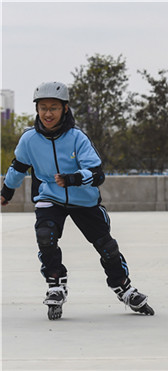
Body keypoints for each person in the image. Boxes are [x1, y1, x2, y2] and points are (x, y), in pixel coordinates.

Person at [1, 82, 154, 320]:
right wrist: (6, 192)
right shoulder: (29, 140)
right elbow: (18, 167)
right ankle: (55, 283)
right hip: (49, 197)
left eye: (53, 107)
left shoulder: (77, 138)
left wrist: (73, 179)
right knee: (45, 236)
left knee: (107, 246)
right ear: (37, 110)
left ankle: (123, 287)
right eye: (43, 108)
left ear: (65, 108)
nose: (48, 113)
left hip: (84, 200)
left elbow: (97, 173)